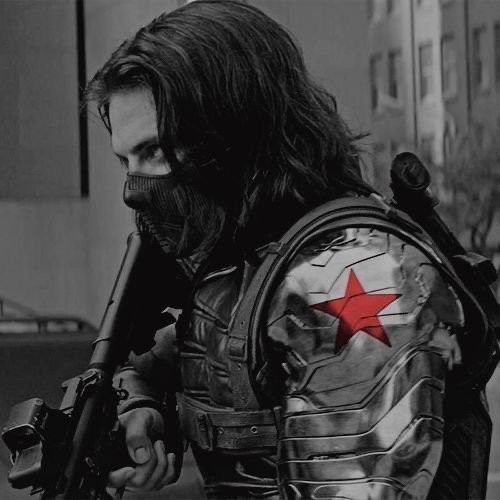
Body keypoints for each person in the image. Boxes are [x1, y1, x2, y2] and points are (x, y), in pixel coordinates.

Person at [85, 1, 493, 498]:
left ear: (233, 132)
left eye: (155, 151)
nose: (134, 189)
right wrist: (141, 408)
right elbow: (161, 361)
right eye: (126, 160)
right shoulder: (245, 265)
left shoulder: (352, 278)